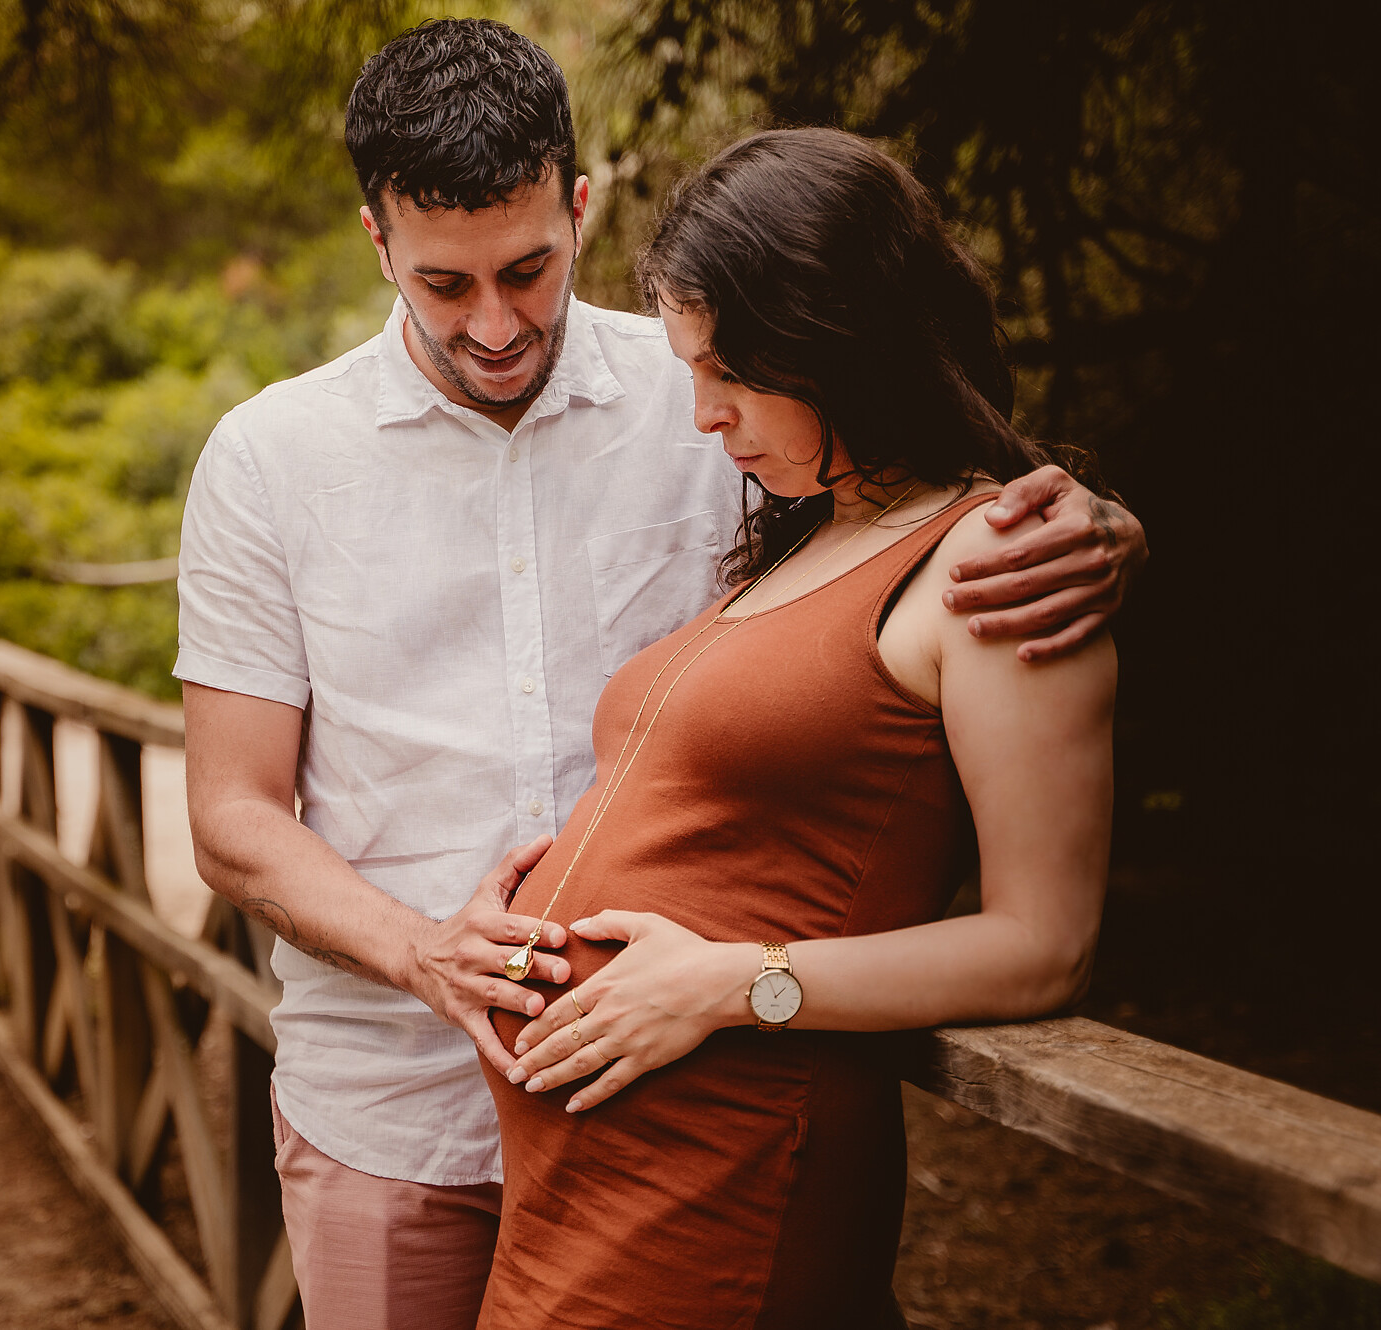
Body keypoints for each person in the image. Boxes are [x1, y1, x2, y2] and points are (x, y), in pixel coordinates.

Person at [177, 20, 1144, 1329]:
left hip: (689, 1125)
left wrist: (1094, 523)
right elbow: (234, 817)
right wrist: (428, 955)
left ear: (581, 204)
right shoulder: (268, 458)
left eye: (528, 268)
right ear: (377, 242)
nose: (498, 322)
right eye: (445, 286)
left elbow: (911, 542)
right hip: (392, 1100)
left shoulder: (711, 384)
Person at [475, 126, 1117, 1329]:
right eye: (689, 374)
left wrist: (734, 985)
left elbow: (1043, 946)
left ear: (841, 339)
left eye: (730, 371)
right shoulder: (803, 533)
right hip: (574, 1201)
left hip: (722, 1195)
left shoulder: (995, 559)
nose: (704, 417)